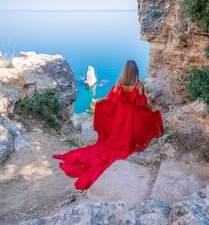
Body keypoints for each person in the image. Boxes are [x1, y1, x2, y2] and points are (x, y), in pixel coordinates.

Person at [53, 60, 163, 190]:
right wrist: (152, 109)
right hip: (132, 113)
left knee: (118, 132)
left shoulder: (119, 82)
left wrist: (99, 101)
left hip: (121, 113)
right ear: (135, 72)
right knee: (132, 130)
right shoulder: (138, 85)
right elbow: (141, 103)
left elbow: (111, 98)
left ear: (124, 71)